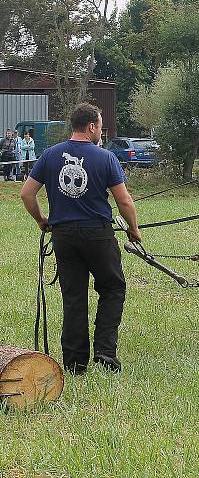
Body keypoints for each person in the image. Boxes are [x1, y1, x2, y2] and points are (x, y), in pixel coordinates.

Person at [20, 103, 142, 375]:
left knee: (73, 297)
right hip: (98, 234)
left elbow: (27, 194)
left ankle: (75, 364)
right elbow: (123, 200)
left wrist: (43, 221)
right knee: (112, 289)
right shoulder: (105, 158)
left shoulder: (50, 155)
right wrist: (134, 229)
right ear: (91, 127)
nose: (101, 131)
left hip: (63, 236)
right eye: (100, 126)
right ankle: (105, 352)